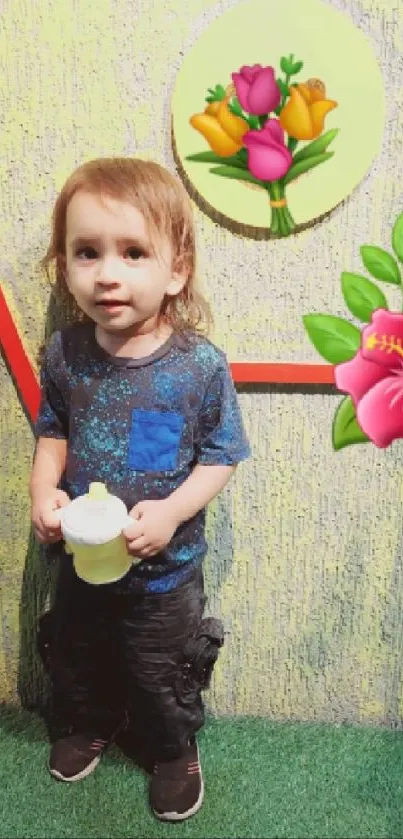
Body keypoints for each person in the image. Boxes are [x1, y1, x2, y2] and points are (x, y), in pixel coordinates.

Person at [30, 157, 250, 822]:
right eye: (86, 252)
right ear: (63, 265)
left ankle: (172, 748)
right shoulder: (66, 353)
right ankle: (91, 718)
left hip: (164, 573)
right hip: (82, 561)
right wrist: (44, 494)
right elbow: (53, 432)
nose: (107, 273)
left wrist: (175, 509)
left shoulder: (199, 367)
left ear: (175, 269)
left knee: (162, 669)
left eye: (132, 252)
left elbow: (221, 455)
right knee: (78, 651)